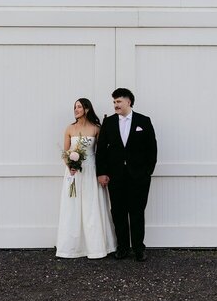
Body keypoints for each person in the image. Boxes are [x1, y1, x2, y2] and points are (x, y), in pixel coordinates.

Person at [96, 88, 157, 262]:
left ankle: (139, 248)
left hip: (139, 176)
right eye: (114, 102)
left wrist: (147, 172)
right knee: (118, 212)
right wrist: (101, 173)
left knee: (137, 212)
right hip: (115, 176)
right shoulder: (109, 123)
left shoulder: (143, 121)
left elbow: (151, 149)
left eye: (119, 101)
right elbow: (101, 151)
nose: (116, 105)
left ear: (128, 101)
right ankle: (122, 247)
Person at [55, 98, 117, 259]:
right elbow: (66, 152)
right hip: (74, 172)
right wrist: (70, 165)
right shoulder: (70, 128)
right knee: (73, 206)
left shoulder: (96, 128)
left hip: (90, 170)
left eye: (79, 107)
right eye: (74, 107)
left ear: (87, 109)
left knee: (91, 206)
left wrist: (103, 172)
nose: (76, 109)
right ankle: (72, 248)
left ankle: (96, 247)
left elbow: (101, 152)